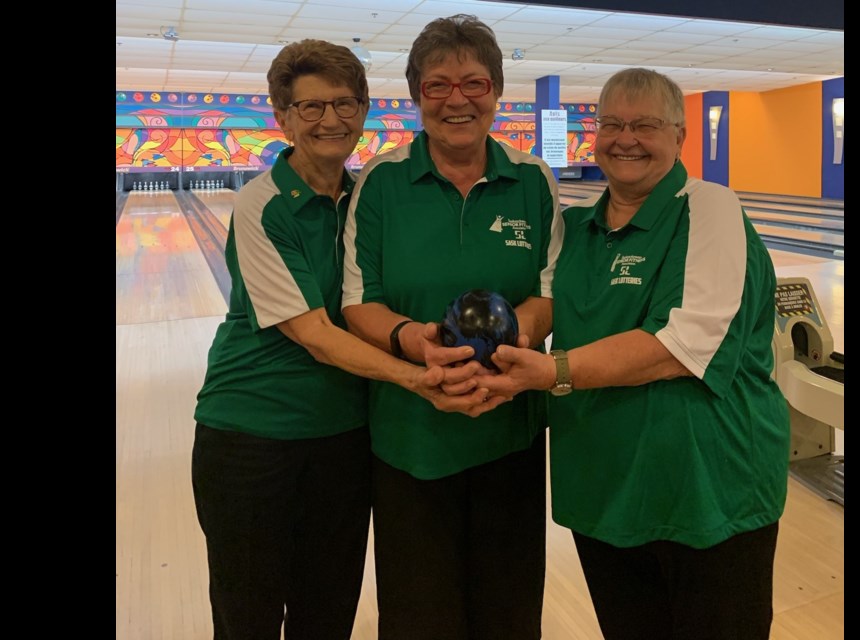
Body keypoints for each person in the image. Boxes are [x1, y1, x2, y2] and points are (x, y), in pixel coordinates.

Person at [191, 39, 494, 640]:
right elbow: (318, 336)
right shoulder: (262, 203)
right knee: (247, 614)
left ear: (362, 112)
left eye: (344, 104)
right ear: (282, 117)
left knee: (327, 610)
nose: (331, 120)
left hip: (345, 438)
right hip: (253, 435)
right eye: (310, 108)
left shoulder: (366, 198)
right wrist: (419, 379)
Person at [477, 68, 791, 640]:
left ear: (679, 136)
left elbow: (679, 345)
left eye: (645, 124)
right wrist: (506, 338)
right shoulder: (574, 227)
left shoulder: (709, 208)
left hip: (707, 492)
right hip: (604, 487)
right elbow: (543, 303)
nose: (626, 138)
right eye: (612, 123)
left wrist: (551, 370)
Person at [341, 14, 564, 640]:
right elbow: (360, 301)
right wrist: (413, 343)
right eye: (437, 84)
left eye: (474, 82)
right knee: (419, 615)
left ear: (495, 91)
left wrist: (517, 334)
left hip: (510, 430)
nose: (457, 99)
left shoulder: (532, 179)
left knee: (510, 610)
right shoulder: (382, 182)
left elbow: (550, 293)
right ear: (416, 95)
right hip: (411, 437)